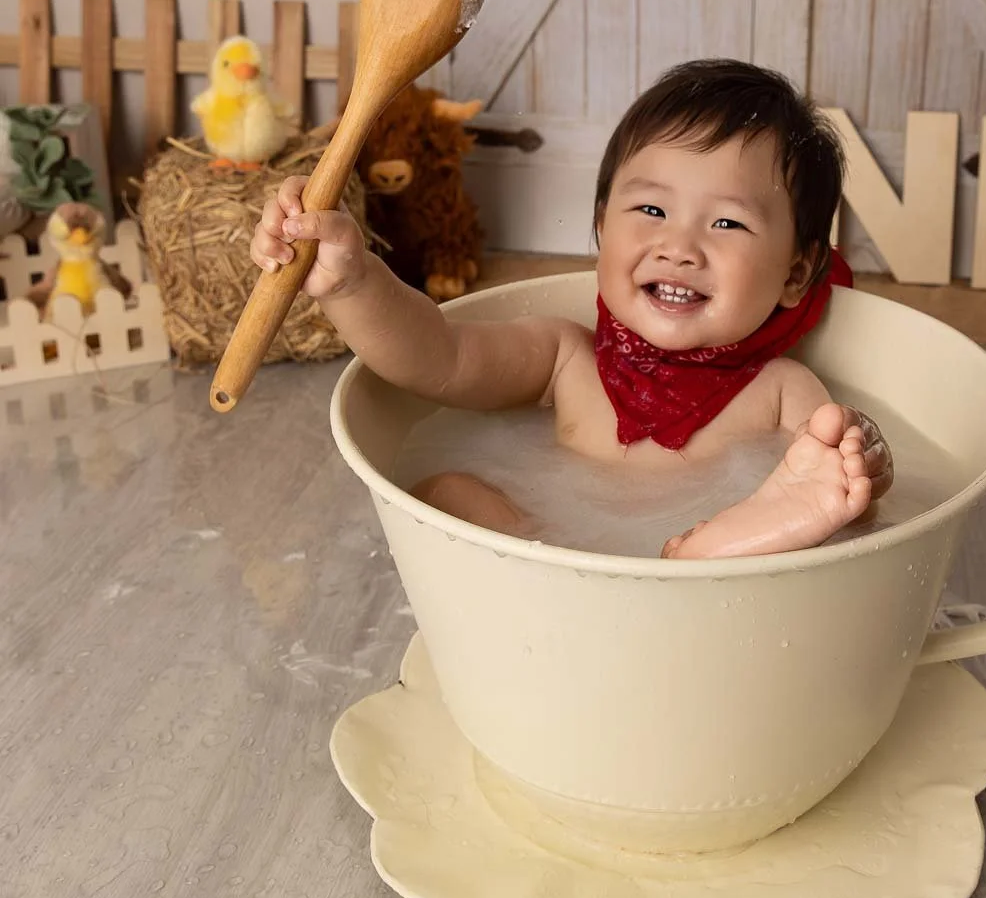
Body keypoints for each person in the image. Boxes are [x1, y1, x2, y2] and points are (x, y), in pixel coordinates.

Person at [251, 60, 893, 558]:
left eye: (727, 222)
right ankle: (672, 558)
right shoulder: (565, 358)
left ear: (796, 272)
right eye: (651, 210)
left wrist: (858, 459)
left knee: (822, 485)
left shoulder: (780, 390)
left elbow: (849, 497)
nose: (678, 247)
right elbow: (436, 358)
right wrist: (351, 281)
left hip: (708, 600)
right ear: (601, 229)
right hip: (556, 564)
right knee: (447, 493)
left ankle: (721, 545)